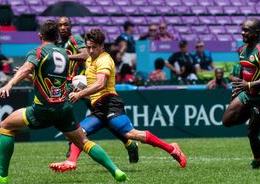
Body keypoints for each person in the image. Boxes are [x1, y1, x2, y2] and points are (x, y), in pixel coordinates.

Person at [0, 20, 128, 184]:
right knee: (83, 142)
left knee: (6, 126)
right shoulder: (64, 54)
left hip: (43, 109)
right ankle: (116, 170)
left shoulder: (39, 51)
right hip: (63, 108)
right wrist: (30, 78)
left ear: (40, 36)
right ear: (57, 36)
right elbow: (51, 79)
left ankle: (1, 173)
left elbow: (27, 67)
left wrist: (9, 84)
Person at [49, 29, 187, 173]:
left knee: (131, 134)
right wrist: (82, 93)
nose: (90, 50)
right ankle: (71, 161)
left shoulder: (104, 60)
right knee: (78, 133)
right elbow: (94, 88)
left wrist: (80, 94)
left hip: (110, 105)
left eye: (93, 47)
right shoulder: (90, 60)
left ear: (102, 46)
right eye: (88, 47)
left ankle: (172, 149)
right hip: (98, 108)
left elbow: (101, 84)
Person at [55, 16, 139, 164]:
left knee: (105, 117)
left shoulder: (75, 39)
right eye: (60, 25)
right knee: (101, 117)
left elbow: (86, 54)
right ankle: (128, 143)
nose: (63, 28)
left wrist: (66, 57)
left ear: (70, 25)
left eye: (65, 24)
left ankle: (74, 144)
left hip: (83, 84)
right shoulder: (59, 44)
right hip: (69, 85)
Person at [222, 18, 260, 169]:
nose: (243, 32)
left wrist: (249, 84)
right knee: (227, 121)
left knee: (251, 134)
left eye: (246, 30)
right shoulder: (242, 50)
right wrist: (240, 85)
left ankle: (257, 160)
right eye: (243, 29)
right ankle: (254, 111)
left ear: (256, 33)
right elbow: (243, 69)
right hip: (248, 93)